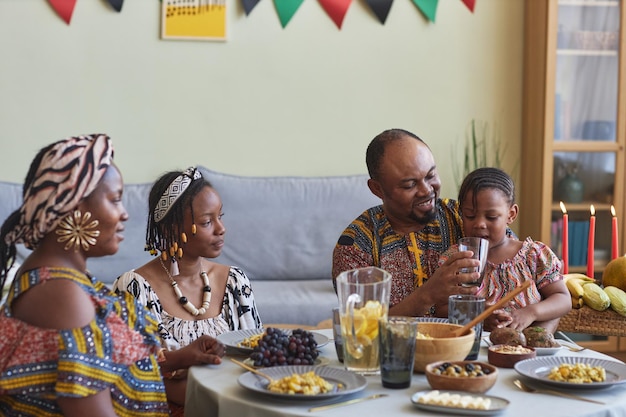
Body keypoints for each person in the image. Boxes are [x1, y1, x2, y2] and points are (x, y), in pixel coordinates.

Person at [0, 135, 224, 417]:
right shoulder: (59, 294)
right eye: (115, 199)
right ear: (74, 207)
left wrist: (178, 358)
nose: (124, 214)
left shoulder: (61, 279)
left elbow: (106, 369)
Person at [113, 166, 262, 408]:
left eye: (220, 217)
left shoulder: (235, 282)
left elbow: (256, 362)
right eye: (206, 222)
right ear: (171, 228)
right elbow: (126, 374)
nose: (221, 228)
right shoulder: (134, 288)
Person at [332, 128, 484, 318]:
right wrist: (428, 295)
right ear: (377, 189)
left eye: (431, 176)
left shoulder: (463, 217)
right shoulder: (356, 245)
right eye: (409, 185)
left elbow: (521, 260)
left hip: (461, 345)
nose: (426, 190)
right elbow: (361, 327)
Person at [448, 167, 570, 333]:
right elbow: (441, 308)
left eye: (491, 217)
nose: (479, 224)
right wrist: (477, 313)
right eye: (470, 215)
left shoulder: (533, 255)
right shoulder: (456, 260)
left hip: (527, 349)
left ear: (511, 215)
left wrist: (530, 313)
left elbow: (563, 299)